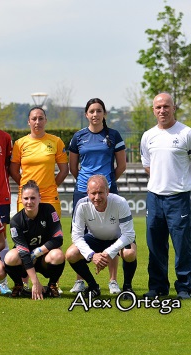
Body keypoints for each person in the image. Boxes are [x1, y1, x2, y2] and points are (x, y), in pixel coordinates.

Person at [140, 92, 191, 300]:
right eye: (158, 107)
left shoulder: (188, 134)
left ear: (174, 108)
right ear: (153, 110)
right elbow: (148, 166)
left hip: (178, 199)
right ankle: (157, 287)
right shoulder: (148, 136)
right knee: (155, 244)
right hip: (154, 197)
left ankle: (184, 286)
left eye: (166, 106)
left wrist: (183, 184)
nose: (162, 110)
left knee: (182, 244)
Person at [68, 98, 127, 294]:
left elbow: (122, 166)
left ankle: (112, 281)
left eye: (99, 111)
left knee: (112, 233)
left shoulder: (113, 135)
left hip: (107, 190)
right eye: (91, 111)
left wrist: (106, 184)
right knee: (80, 234)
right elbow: (73, 167)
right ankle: (80, 280)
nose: (95, 114)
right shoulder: (78, 137)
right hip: (83, 191)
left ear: (104, 114)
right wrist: (87, 187)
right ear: (86, 114)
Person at [66, 175, 137, 299]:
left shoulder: (120, 202)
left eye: (100, 192)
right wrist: (92, 255)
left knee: (130, 253)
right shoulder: (82, 205)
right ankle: (93, 286)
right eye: (93, 193)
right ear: (88, 192)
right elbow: (77, 236)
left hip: (118, 238)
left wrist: (108, 252)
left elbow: (129, 235)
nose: (97, 197)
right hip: (95, 238)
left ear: (107, 191)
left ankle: (127, 288)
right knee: (71, 254)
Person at [3, 180, 65, 300]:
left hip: (44, 258)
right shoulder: (16, 221)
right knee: (10, 257)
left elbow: (58, 239)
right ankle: (19, 285)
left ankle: (52, 286)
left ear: (39, 198)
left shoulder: (49, 210)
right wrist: (35, 282)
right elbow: (23, 253)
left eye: (33, 198)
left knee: (58, 254)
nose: (29, 202)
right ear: (21, 199)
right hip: (24, 260)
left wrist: (37, 252)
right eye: (26, 198)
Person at [10, 107, 68, 217]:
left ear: (45, 120)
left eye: (41, 118)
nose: (37, 122)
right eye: (34, 119)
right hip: (27, 197)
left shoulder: (56, 141)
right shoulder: (19, 144)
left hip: (49, 196)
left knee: (52, 233)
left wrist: (53, 185)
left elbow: (64, 170)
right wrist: (26, 186)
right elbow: (13, 171)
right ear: (28, 122)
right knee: (25, 232)